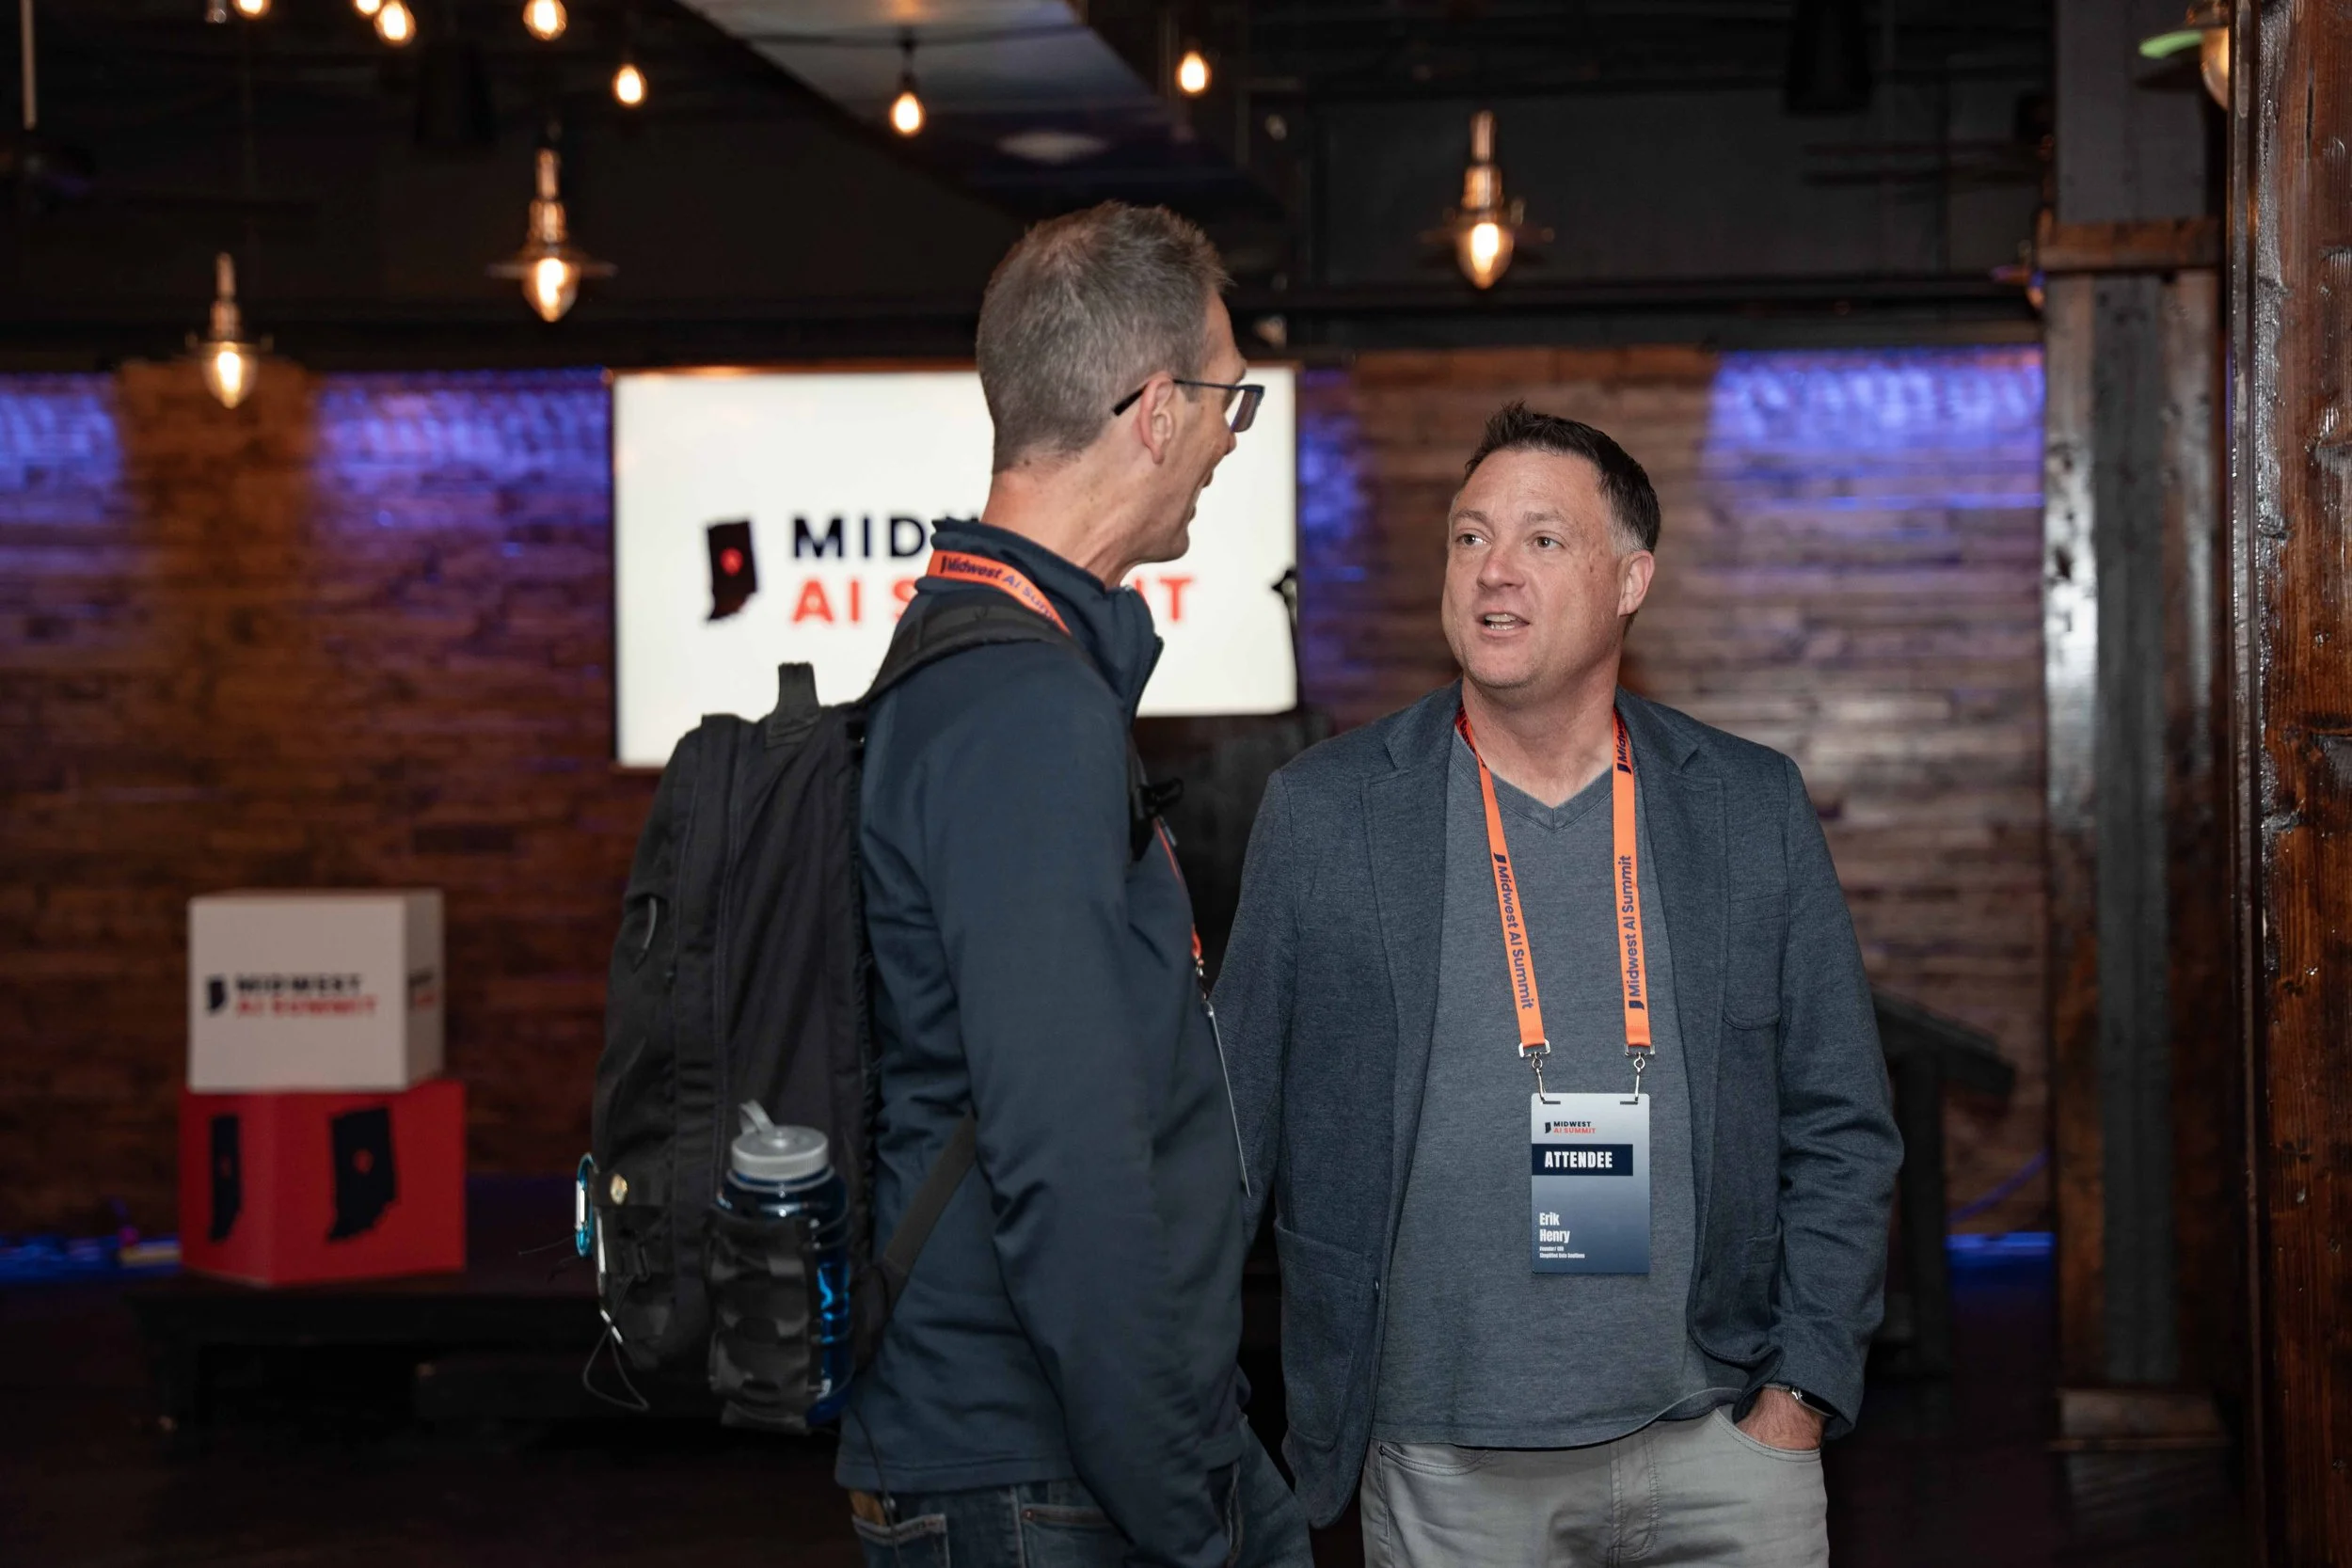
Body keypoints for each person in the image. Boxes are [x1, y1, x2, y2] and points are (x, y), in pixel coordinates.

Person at [1215, 403, 1902, 1568]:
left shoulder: (1746, 807)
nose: (1493, 569)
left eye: (1541, 539)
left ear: (1630, 580)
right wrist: (1190, 1413)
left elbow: (1842, 1122)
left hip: (1723, 1447)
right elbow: (1231, 1131)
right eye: (1468, 536)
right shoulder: (1327, 812)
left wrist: (1799, 1395)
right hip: (1442, 1462)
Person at [837, 202, 1311, 1568]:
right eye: (1226, 401)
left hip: (1053, 1450)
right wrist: (1179, 1497)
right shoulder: (1021, 710)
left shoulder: (985, 665)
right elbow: (1064, 1149)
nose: (1231, 438)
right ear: (1156, 411)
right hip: (1046, 1473)